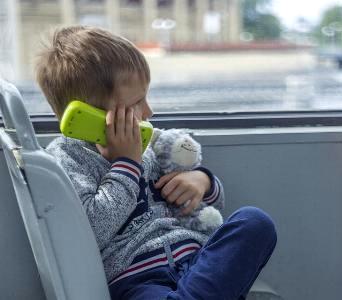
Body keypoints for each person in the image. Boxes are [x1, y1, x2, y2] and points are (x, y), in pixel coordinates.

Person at [36, 25, 277, 300]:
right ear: (89, 114)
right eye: (137, 103)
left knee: (256, 222)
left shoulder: (148, 143)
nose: (149, 112)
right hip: (136, 280)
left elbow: (211, 205)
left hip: (196, 261)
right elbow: (92, 231)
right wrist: (126, 163)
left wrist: (202, 182)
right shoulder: (67, 159)